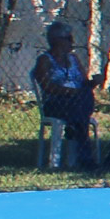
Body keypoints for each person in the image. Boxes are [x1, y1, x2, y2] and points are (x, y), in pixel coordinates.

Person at [31, 21, 96, 169]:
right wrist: (68, 92)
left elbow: (84, 83)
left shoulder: (73, 59)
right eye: (69, 38)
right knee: (81, 109)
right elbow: (46, 86)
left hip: (78, 102)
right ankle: (85, 158)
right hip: (57, 102)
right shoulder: (45, 60)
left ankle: (76, 128)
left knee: (83, 98)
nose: (72, 42)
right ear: (58, 40)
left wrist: (94, 82)